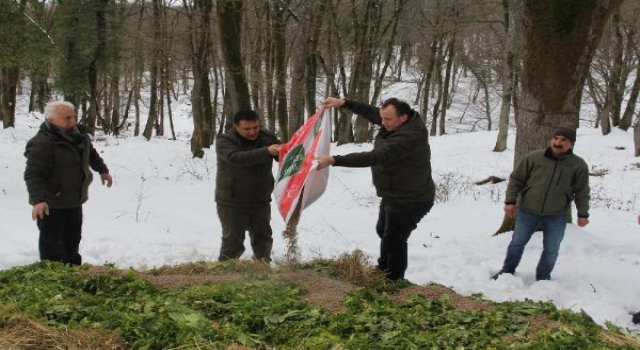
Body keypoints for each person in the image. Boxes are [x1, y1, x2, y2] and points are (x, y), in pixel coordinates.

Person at [316, 97, 435, 281]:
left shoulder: (410, 137)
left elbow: (376, 156)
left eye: (387, 119)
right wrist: (344, 103)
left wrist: (335, 160)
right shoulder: (394, 123)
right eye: (383, 118)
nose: (383, 122)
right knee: (383, 231)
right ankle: (383, 269)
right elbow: (372, 112)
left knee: (394, 239)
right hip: (393, 193)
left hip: (412, 198)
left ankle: (393, 280)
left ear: (402, 118)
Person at [492, 127, 590, 281]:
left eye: (564, 140)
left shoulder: (578, 165)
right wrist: (510, 201)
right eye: (556, 138)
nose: (558, 142)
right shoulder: (534, 157)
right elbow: (516, 179)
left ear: (571, 144)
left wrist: (583, 214)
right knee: (517, 243)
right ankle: (507, 271)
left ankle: (543, 278)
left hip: (557, 214)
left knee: (551, 250)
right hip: (527, 210)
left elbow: (582, 191)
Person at [24, 101, 113, 265]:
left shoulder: (79, 136)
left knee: (72, 239)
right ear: (50, 120)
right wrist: (38, 201)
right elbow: (33, 174)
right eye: (67, 118)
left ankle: (73, 272)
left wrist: (102, 170)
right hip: (51, 203)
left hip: (73, 198)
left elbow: (90, 153)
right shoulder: (42, 144)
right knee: (53, 244)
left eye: (73, 117)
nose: (72, 121)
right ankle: (53, 278)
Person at [215, 110, 281, 263]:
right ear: (236, 127)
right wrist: (267, 151)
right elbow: (236, 158)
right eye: (247, 129)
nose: (253, 132)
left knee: (263, 237)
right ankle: (226, 272)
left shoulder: (266, 136)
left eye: (256, 127)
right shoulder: (225, 140)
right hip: (232, 200)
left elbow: (281, 153)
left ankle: (263, 267)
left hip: (261, 199)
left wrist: (287, 150)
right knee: (233, 241)